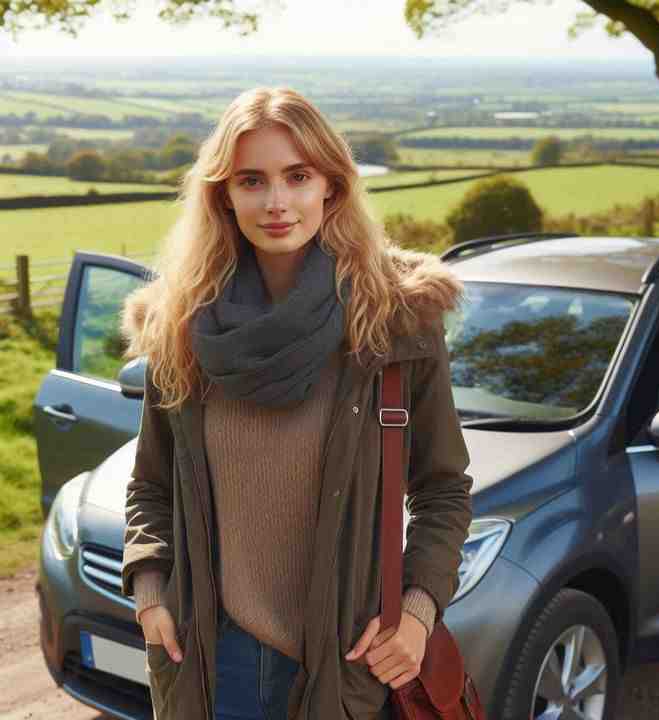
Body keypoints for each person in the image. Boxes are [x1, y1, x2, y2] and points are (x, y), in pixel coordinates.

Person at [119, 86, 473, 720]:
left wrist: (418, 614)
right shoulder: (181, 326)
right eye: (252, 180)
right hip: (207, 662)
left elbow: (443, 487)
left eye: (298, 176)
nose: (277, 202)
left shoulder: (396, 318)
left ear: (331, 186)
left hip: (347, 663)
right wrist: (150, 593)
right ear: (222, 194)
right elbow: (150, 484)